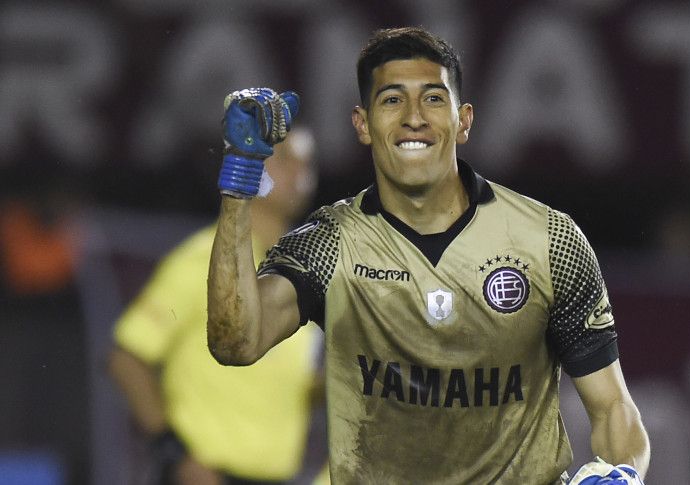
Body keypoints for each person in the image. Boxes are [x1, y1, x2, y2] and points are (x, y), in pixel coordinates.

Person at [207, 27, 650, 484]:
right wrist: (240, 175)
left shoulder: (548, 240)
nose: (414, 117)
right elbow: (236, 342)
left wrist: (623, 474)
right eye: (392, 100)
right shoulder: (329, 244)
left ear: (464, 121)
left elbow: (613, 407)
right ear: (363, 124)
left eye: (434, 99)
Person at [109, 127, 327, 485]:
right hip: (206, 475)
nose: (299, 172)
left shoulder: (307, 271)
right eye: (286, 159)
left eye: (307, 162)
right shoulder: (203, 259)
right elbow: (127, 358)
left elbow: (284, 382)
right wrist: (175, 455)